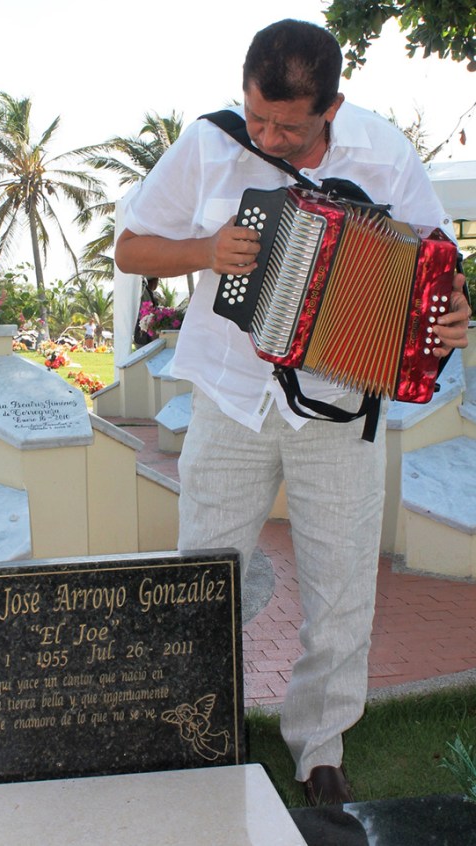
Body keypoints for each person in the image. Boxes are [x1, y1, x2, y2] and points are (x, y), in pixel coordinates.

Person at [115, 19, 470, 805]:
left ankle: (320, 751)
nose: (270, 137)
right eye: (258, 118)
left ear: (333, 107)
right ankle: (195, 729)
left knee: (342, 587)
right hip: (230, 400)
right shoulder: (208, 144)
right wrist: (207, 250)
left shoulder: (382, 151)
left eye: (290, 125)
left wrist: (454, 307)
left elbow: (436, 255)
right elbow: (132, 247)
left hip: (341, 407)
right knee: (208, 575)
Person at [134, 276, 160, 347]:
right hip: (144, 332)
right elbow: (145, 311)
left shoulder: (145, 290)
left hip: (144, 332)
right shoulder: (144, 291)